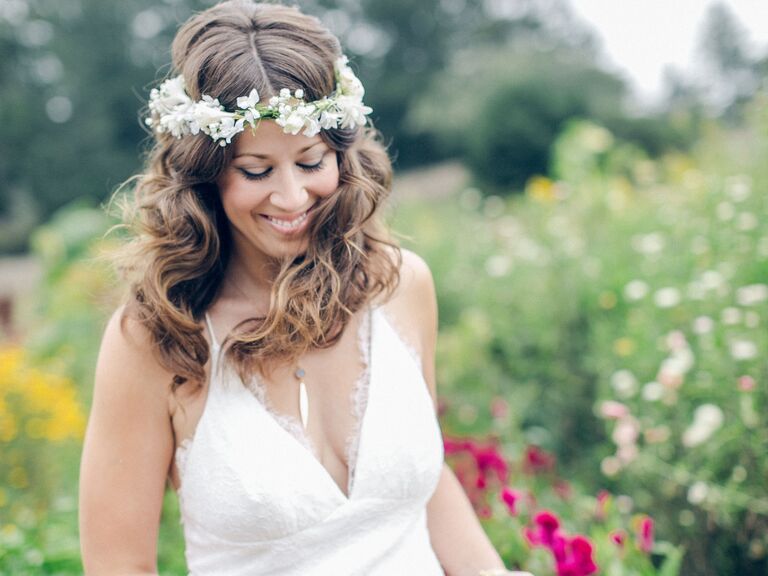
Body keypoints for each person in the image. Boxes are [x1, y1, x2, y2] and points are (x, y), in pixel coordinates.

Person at [78, 2, 532, 575]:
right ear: (204, 176)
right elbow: (119, 565)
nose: (292, 198)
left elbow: (423, 481)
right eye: (257, 170)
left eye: (311, 161)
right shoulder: (157, 337)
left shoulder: (401, 284)